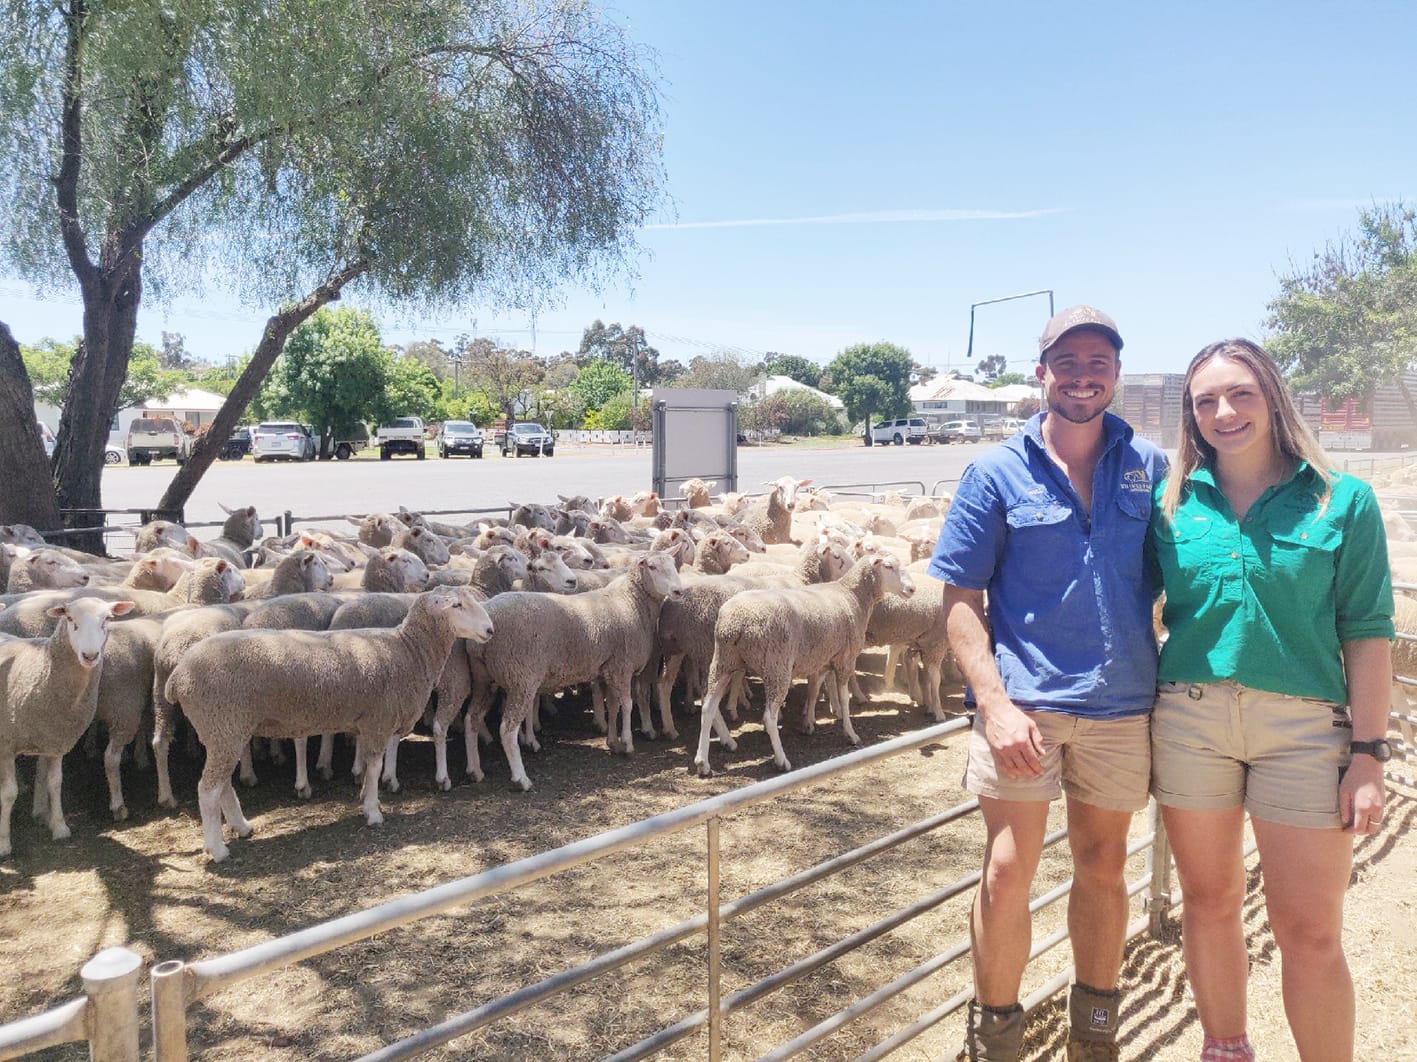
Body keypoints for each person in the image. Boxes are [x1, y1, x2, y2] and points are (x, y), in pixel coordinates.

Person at [929, 305, 1168, 1061]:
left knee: (1103, 867)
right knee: (1006, 872)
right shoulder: (995, 471)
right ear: (1042, 374)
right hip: (1023, 709)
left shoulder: (1150, 467)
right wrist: (992, 704)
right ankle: (996, 1032)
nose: (1082, 376)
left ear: (1115, 375)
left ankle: (1092, 1035)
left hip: (1121, 702)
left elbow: (1181, 577)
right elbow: (959, 601)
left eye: (1097, 362)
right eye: (1066, 363)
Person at [1146, 338, 1394, 1062]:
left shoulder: (1340, 500)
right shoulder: (1170, 505)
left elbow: (1368, 634)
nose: (1222, 412)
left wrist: (1368, 755)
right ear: (1190, 417)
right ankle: (1225, 1048)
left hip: (1305, 732)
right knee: (1209, 903)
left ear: (1272, 398)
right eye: (1203, 401)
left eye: (1239, 394)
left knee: (1307, 928)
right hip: (1190, 721)